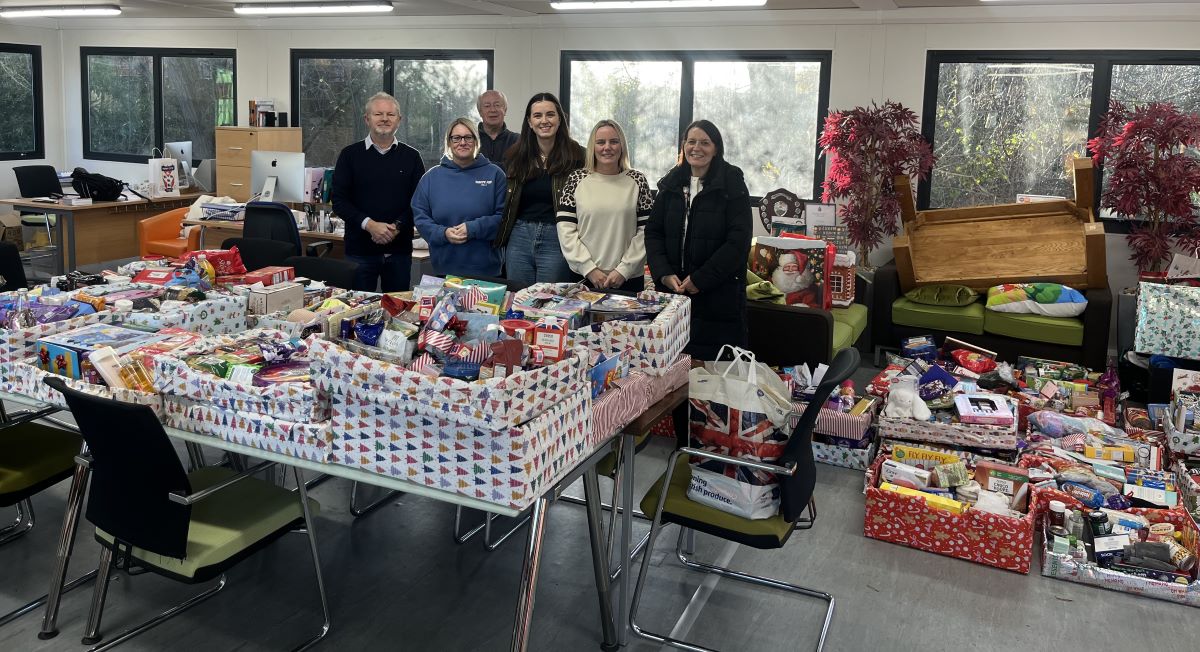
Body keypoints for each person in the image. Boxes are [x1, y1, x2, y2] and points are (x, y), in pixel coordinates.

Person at [644, 119, 752, 361]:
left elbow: (738, 241)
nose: (697, 148)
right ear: (683, 146)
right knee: (672, 368)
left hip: (718, 297)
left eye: (705, 142)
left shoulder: (731, 182)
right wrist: (663, 273)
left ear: (716, 148)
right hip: (673, 292)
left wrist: (700, 279)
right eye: (691, 142)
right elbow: (653, 232)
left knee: (715, 372)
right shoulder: (671, 183)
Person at [331, 91, 426, 292]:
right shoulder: (349, 156)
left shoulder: (412, 157)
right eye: (378, 114)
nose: (384, 119)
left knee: (398, 313)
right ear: (367, 119)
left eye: (390, 115)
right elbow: (339, 200)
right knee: (357, 311)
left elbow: (419, 202)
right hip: (359, 252)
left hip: (399, 252)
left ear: (399, 120)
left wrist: (397, 227)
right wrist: (370, 225)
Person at [493, 92, 585, 286]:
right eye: (537, 115)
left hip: (558, 237)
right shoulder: (514, 156)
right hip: (519, 237)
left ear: (560, 119)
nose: (544, 121)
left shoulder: (579, 156)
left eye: (550, 114)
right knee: (519, 299)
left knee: (550, 303)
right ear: (529, 121)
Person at [557, 119, 652, 291]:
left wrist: (623, 270)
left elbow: (646, 232)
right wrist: (589, 269)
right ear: (592, 147)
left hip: (628, 278)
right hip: (584, 277)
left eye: (614, 141)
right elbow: (566, 230)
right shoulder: (576, 179)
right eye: (600, 142)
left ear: (622, 145)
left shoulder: (638, 180)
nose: (607, 147)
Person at [411, 118, 506, 277]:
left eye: (468, 137)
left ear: (476, 141)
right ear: (449, 142)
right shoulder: (431, 178)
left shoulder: (495, 174)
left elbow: (504, 218)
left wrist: (473, 228)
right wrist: (443, 233)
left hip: (486, 271)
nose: (463, 142)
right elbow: (420, 218)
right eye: (456, 138)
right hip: (444, 270)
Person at [477, 90, 519, 170]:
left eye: (497, 105)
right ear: (480, 112)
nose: (493, 110)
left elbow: (517, 170)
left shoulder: (517, 140)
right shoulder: (470, 140)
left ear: (505, 110)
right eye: (487, 106)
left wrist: (480, 165)